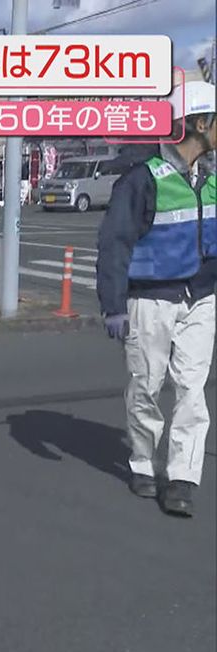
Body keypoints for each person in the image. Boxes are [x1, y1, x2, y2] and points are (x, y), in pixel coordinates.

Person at [95, 81, 217, 518]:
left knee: (192, 388)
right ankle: (143, 460)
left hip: (202, 297)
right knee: (146, 386)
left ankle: (182, 478)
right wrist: (112, 305)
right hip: (150, 299)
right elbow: (114, 243)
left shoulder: (212, 178)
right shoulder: (142, 180)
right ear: (199, 124)